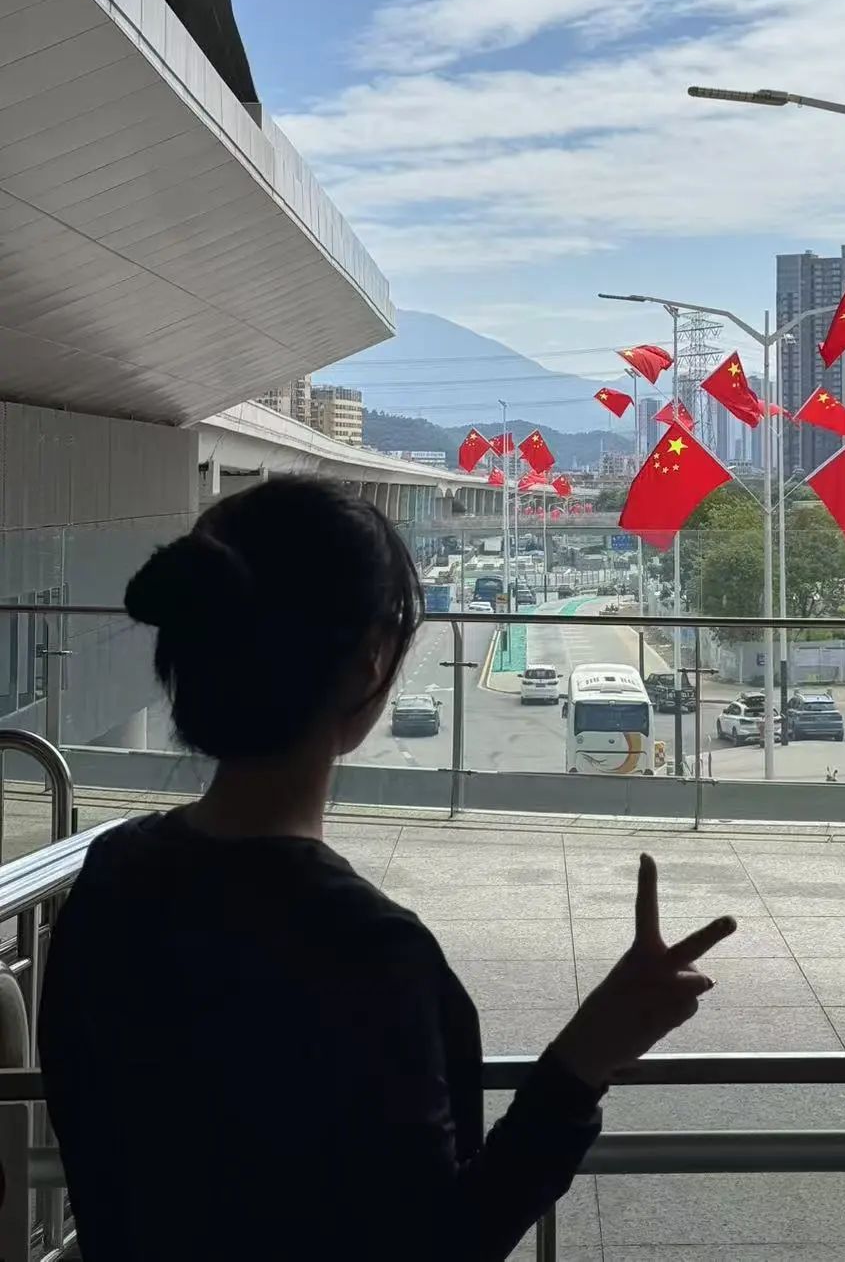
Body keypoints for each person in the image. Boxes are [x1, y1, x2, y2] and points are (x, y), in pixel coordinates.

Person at [38, 477, 735, 1262]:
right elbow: (444, 1240)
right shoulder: (366, 949)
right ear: (372, 663)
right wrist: (585, 1057)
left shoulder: (111, 878)